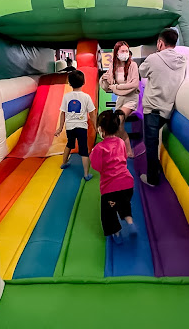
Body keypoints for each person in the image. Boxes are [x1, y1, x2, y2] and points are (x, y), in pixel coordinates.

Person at [139, 28, 186, 187]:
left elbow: (142, 72)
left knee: (150, 145)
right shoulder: (182, 60)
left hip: (152, 109)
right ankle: (157, 168)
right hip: (167, 110)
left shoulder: (153, 59)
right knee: (154, 143)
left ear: (160, 43)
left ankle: (152, 179)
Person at [90, 110, 137, 244]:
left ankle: (116, 233)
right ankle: (130, 221)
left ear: (101, 129)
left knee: (108, 213)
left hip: (110, 188)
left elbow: (96, 166)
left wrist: (93, 153)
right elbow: (124, 157)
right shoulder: (121, 142)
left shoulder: (99, 148)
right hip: (128, 184)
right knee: (124, 204)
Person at [99, 41, 140, 157]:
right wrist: (104, 80)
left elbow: (134, 84)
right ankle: (126, 151)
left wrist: (116, 88)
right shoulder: (113, 66)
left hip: (131, 98)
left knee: (118, 120)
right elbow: (107, 87)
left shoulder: (133, 65)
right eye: (122, 51)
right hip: (120, 99)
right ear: (116, 52)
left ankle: (116, 150)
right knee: (119, 126)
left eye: (127, 51)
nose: (125, 53)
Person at [55, 70, 97, 181]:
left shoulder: (66, 97)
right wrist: (95, 126)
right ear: (84, 82)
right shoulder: (86, 97)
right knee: (83, 149)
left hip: (70, 127)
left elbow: (63, 113)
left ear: (69, 83)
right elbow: (92, 114)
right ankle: (86, 174)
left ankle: (64, 163)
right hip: (81, 127)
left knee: (69, 144)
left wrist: (60, 128)